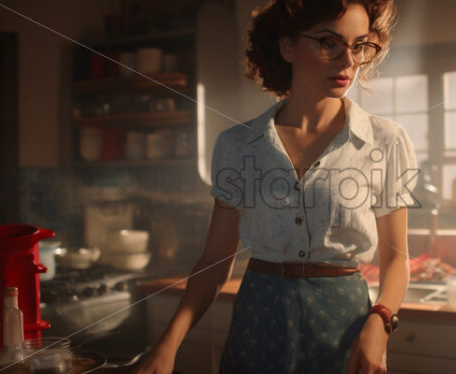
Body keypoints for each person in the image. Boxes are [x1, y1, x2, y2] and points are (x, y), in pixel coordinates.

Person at [134, 0, 418, 373]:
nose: (348, 61)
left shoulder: (387, 141)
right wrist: (167, 346)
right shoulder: (237, 146)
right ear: (287, 47)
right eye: (329, 43)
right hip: (257, 323)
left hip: (345, 329)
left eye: (359, 46)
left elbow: (397, 257)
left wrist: (380, 322)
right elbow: (214, 263)